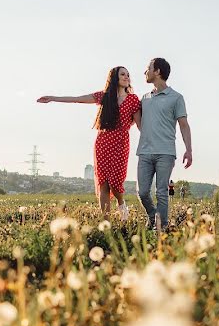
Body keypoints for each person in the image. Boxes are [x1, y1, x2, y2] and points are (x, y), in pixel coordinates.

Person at [37, 67, 142, 219]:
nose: (126, 77)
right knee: (104, 182)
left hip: (121, 142)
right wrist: (53, 98)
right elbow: (77, 99)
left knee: (115, 181)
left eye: (128, 75)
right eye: (123, 74)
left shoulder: (133, 99)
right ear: (114, 78)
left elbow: (140, 125)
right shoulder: (105, 96)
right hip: (103, 141)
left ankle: (121, 201)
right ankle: (106, 223)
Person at [136, 58, 192, 231]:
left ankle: (161, 228)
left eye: (148, 69)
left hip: (165, 153)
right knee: (142, 192)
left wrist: (189, 150)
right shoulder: (144, 99)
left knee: (161, 192)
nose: (145, 72)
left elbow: (183, 124)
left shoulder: (176, 98)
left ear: (157, 71)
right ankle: (153, 217)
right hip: (144, 152)